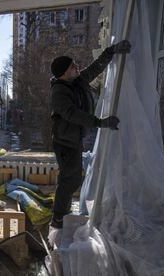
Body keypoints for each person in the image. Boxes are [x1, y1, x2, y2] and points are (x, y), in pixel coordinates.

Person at [49, 40, 131, 229]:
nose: (77, 67)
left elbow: (94, 69)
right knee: (69, 179)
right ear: (63, 73)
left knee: (73, 178)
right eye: (72, 67)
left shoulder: (77, 81)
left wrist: (110, 51)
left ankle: (62, 213)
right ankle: (59, 217)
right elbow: (72, 114)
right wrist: (100, 122)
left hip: (73, 139)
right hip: (65, 142)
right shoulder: (59, 92)